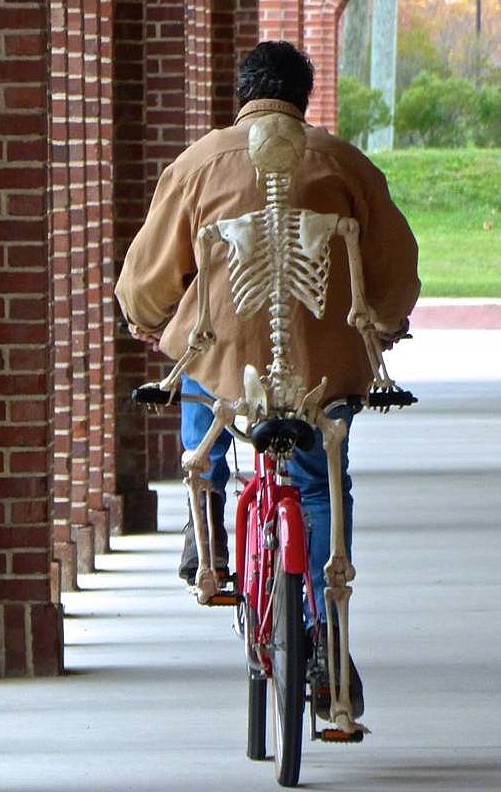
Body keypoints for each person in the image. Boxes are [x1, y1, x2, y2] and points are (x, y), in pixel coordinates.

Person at [115, 41, 420, 715]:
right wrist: (388, 322)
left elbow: (147, 276)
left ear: (241, 96)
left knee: (201, 378)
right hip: (323, 370)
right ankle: (329, 635)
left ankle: (209, 525)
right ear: (304, 100)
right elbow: (397, 263)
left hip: (225, 365)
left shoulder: (199, 163)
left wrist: (146, 315)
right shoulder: (345, 164)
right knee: (318, 485)